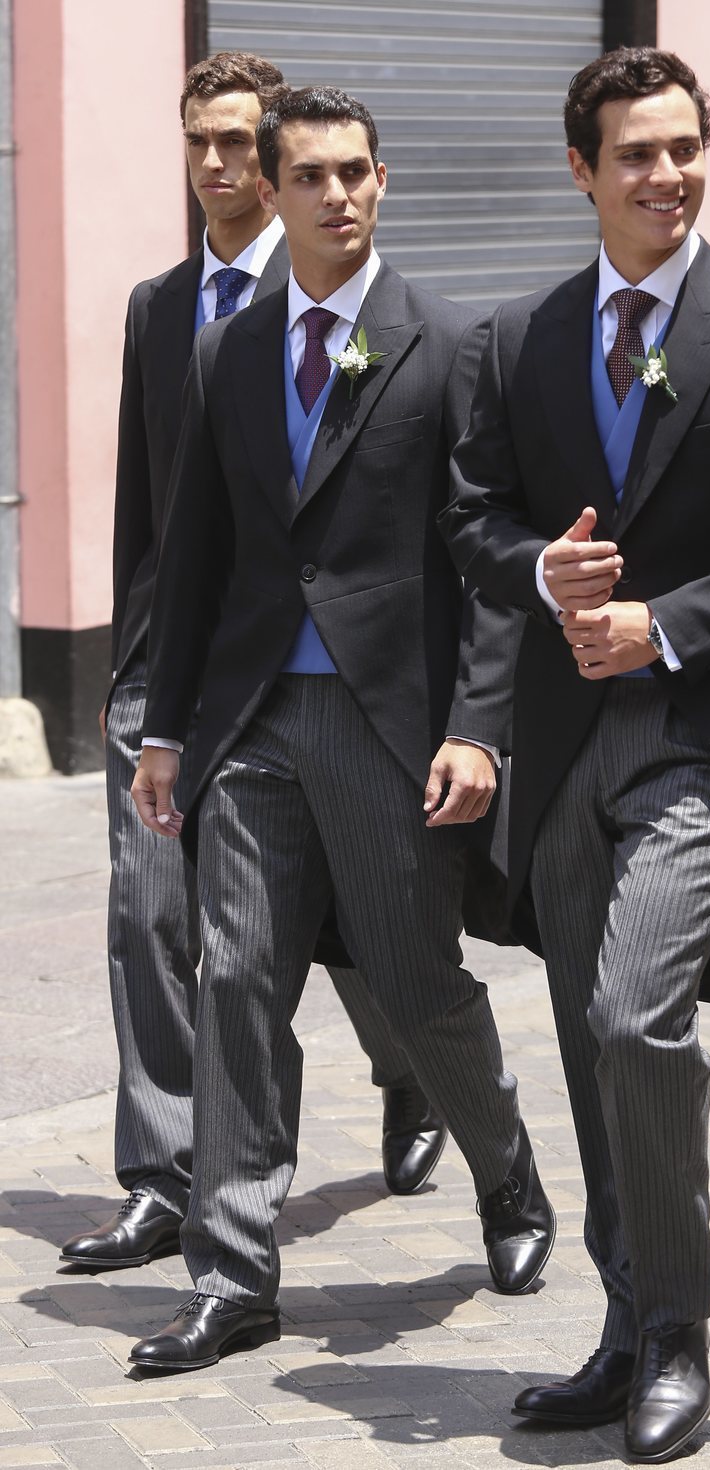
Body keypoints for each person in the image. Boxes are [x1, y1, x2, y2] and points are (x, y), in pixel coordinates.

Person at [442, 47, 710, 1464]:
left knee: (633, 1015)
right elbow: (476, 518)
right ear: (583, 170)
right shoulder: (521, 338)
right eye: (636, 153)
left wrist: (665, 624)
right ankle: (624, 1325)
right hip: (564, 749)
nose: (667, 175)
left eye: (684, 147)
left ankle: (678, 1328)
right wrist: (544, 571)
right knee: (581, 1042)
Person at [126, 85, 555, 1373]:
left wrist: (478, 726)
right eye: (311, 176)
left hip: (389, 724)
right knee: (238, 978)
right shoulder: (228, 352)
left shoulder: (450, 343)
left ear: (383, 180)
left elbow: (485, 561)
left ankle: (510, 1173)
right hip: (250, 720)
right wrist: (161, 725)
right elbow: (193, 552)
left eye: (357, 173)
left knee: (415, 986)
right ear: (272, 184)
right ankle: (236, 1269)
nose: (338, 197)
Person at [59, 54, 444, 1280]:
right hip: (179, 675)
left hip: (320, 681)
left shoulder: (343, 291)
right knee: (154, 923)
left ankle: (416, 1076)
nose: (218, 167)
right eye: (199, 144)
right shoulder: (158, 306)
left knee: (346, 938)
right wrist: (135, 675)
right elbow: (152, 508)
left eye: (238, 144)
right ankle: (169, 1178)